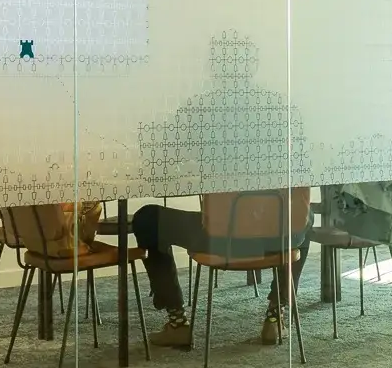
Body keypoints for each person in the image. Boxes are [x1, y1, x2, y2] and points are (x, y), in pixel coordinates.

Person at [131, 32, 311, 348]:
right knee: (303, 223)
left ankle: (177, 321)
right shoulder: (281, 109)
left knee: (146, 218)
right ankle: (276, 314)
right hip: (274, 238)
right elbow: (304, 160)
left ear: (214, 66)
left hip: (221, 237)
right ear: (253, 66)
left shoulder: (200, 109)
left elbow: (163, 159)